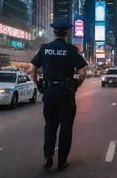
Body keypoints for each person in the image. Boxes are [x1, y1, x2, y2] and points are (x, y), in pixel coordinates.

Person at [29, 20, 87, 171]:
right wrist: (76, 86)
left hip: (48, 92)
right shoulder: (71, 50)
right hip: (66, 93)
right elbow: (82, 73)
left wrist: (39, 85)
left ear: (54, 33)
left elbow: (32, 70)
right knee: (66, 127)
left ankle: (48, 157)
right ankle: (62, 161)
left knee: (50, 125)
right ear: (67, 33)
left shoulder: (45, 49)